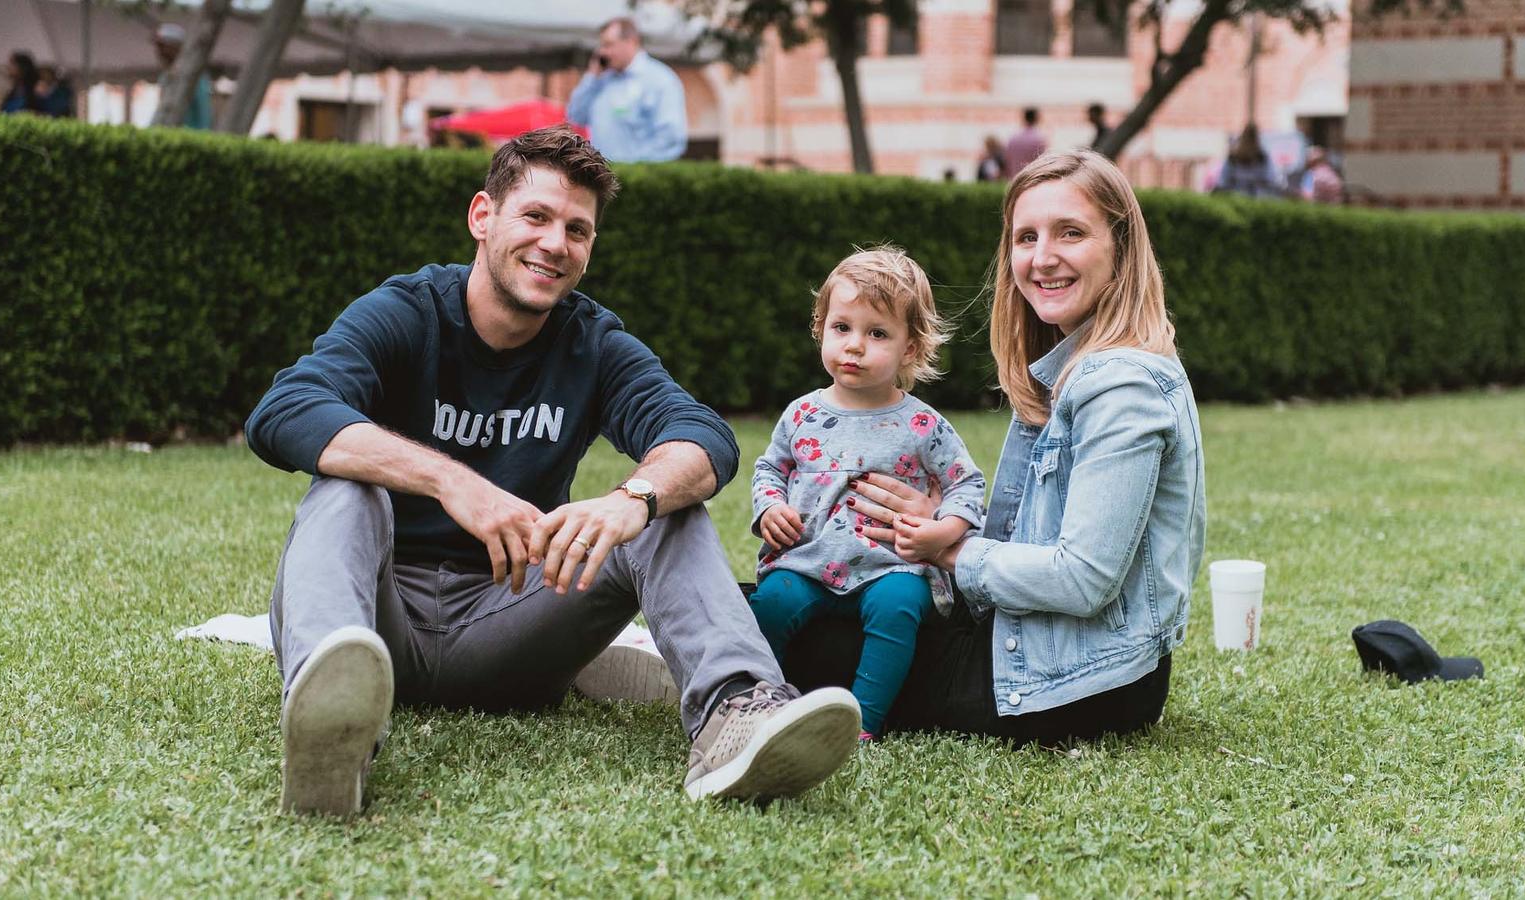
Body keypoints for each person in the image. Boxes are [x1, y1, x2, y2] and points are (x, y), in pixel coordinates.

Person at [244, 125, 859, 816]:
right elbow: (285, 409)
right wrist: (454, 481)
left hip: (511, 621)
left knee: (665, 505)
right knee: (346, 487)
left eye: (577, 229)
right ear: (483, 217)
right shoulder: (407, 312)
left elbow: (702, 436)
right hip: (376, 623)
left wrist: (632, 499)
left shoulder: (592, 342)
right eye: (535, 216)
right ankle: (334, 736)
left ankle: (738, 715)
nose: (554, 244)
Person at [782, 150, 1206, 747]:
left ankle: (680, 657)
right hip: (1040, 643)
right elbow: (1028, 542)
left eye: (1071, 233)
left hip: (1078, 681)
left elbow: (1084, 579)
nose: (1043, 257)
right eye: (1025, 236)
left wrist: (950, 550)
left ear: (1121, 247)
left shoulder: (1121, 387)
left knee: (804, 635)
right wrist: (938, 521)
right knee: (795, 599)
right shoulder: (1065, 368)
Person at [746, 247, 986, 741]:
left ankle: (865, 720)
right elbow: (770, 468)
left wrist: (942, 532)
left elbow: (967, 483)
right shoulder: (801, 415)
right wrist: (770, 506)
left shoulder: (923, 425)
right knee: (769, 603)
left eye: (877, 333)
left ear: (911, 349)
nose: (854, 346)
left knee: (898, 607)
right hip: (807, 561)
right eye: (842, 328)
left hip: (891, 566)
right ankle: (760, 703)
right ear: (821, 328)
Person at [565, 16, 687, 162]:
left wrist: (635, 168)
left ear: (631, 42)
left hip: (638, 178)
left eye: (609, 45)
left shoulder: (660, 80)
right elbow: (575, 116)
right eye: (602, 46)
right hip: (602, 176)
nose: (603, 53)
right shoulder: (601, 79)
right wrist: (592, 77)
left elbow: (670, 139)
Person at [152, 23, 213, 130]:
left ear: (177, 48)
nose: (160, 52)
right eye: (158, 47)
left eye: (163, 47)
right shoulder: (164, 77)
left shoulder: (196, 77)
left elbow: (204, 114)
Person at [1213, 124, 1284, 198]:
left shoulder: (1262, 158)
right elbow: (1271, 181)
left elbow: (1222, 183)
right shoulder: (1233, 159)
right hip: (1240, 200)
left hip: (1251, 200)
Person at [1003, 107, 1047, 179]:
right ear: (1037, 118)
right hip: (1032, 180)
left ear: (1024, 118)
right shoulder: (1039, 139)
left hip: (1015, 179)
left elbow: (1007, 161)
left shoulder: (1013, 138)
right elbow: (1043, 162)